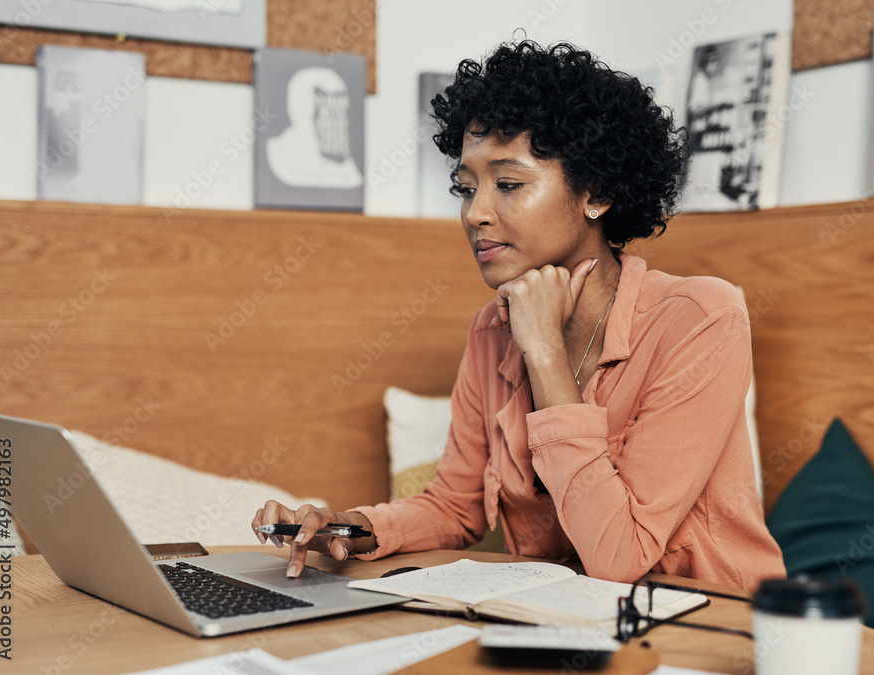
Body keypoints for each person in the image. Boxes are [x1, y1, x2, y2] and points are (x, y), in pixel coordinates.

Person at [253, 39, 785, 591]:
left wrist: (544, 350)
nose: (476, 213)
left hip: (706, 630)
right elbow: (455, 507)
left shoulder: (700, 318)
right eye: (466, 188)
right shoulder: (490, 331)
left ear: (596, 192)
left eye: (508, 184)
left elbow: (619, 558)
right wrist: (351, 528)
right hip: (558, 621)